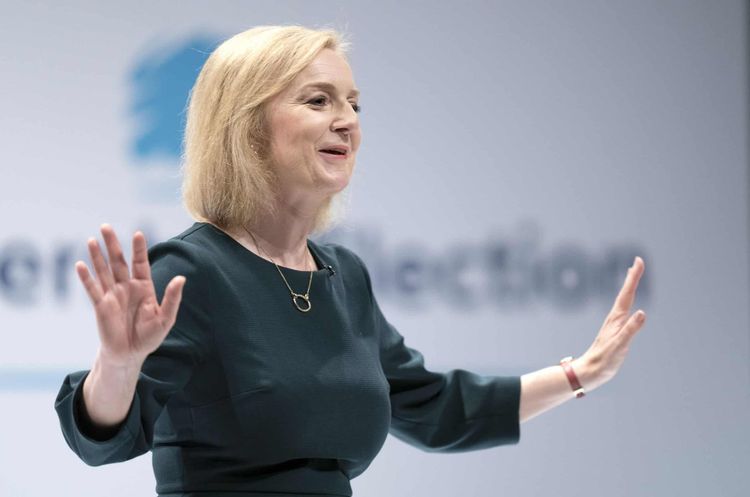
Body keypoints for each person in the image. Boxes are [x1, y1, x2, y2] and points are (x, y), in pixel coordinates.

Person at [54, 25, 647, 497]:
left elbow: (436, 410)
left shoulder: (343, 276)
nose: (348, 121)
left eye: (355, 104)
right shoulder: (192, 271)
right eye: (318, 101)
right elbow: (103, 441)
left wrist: (580, 375)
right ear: (247, 128)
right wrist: (118, 365)